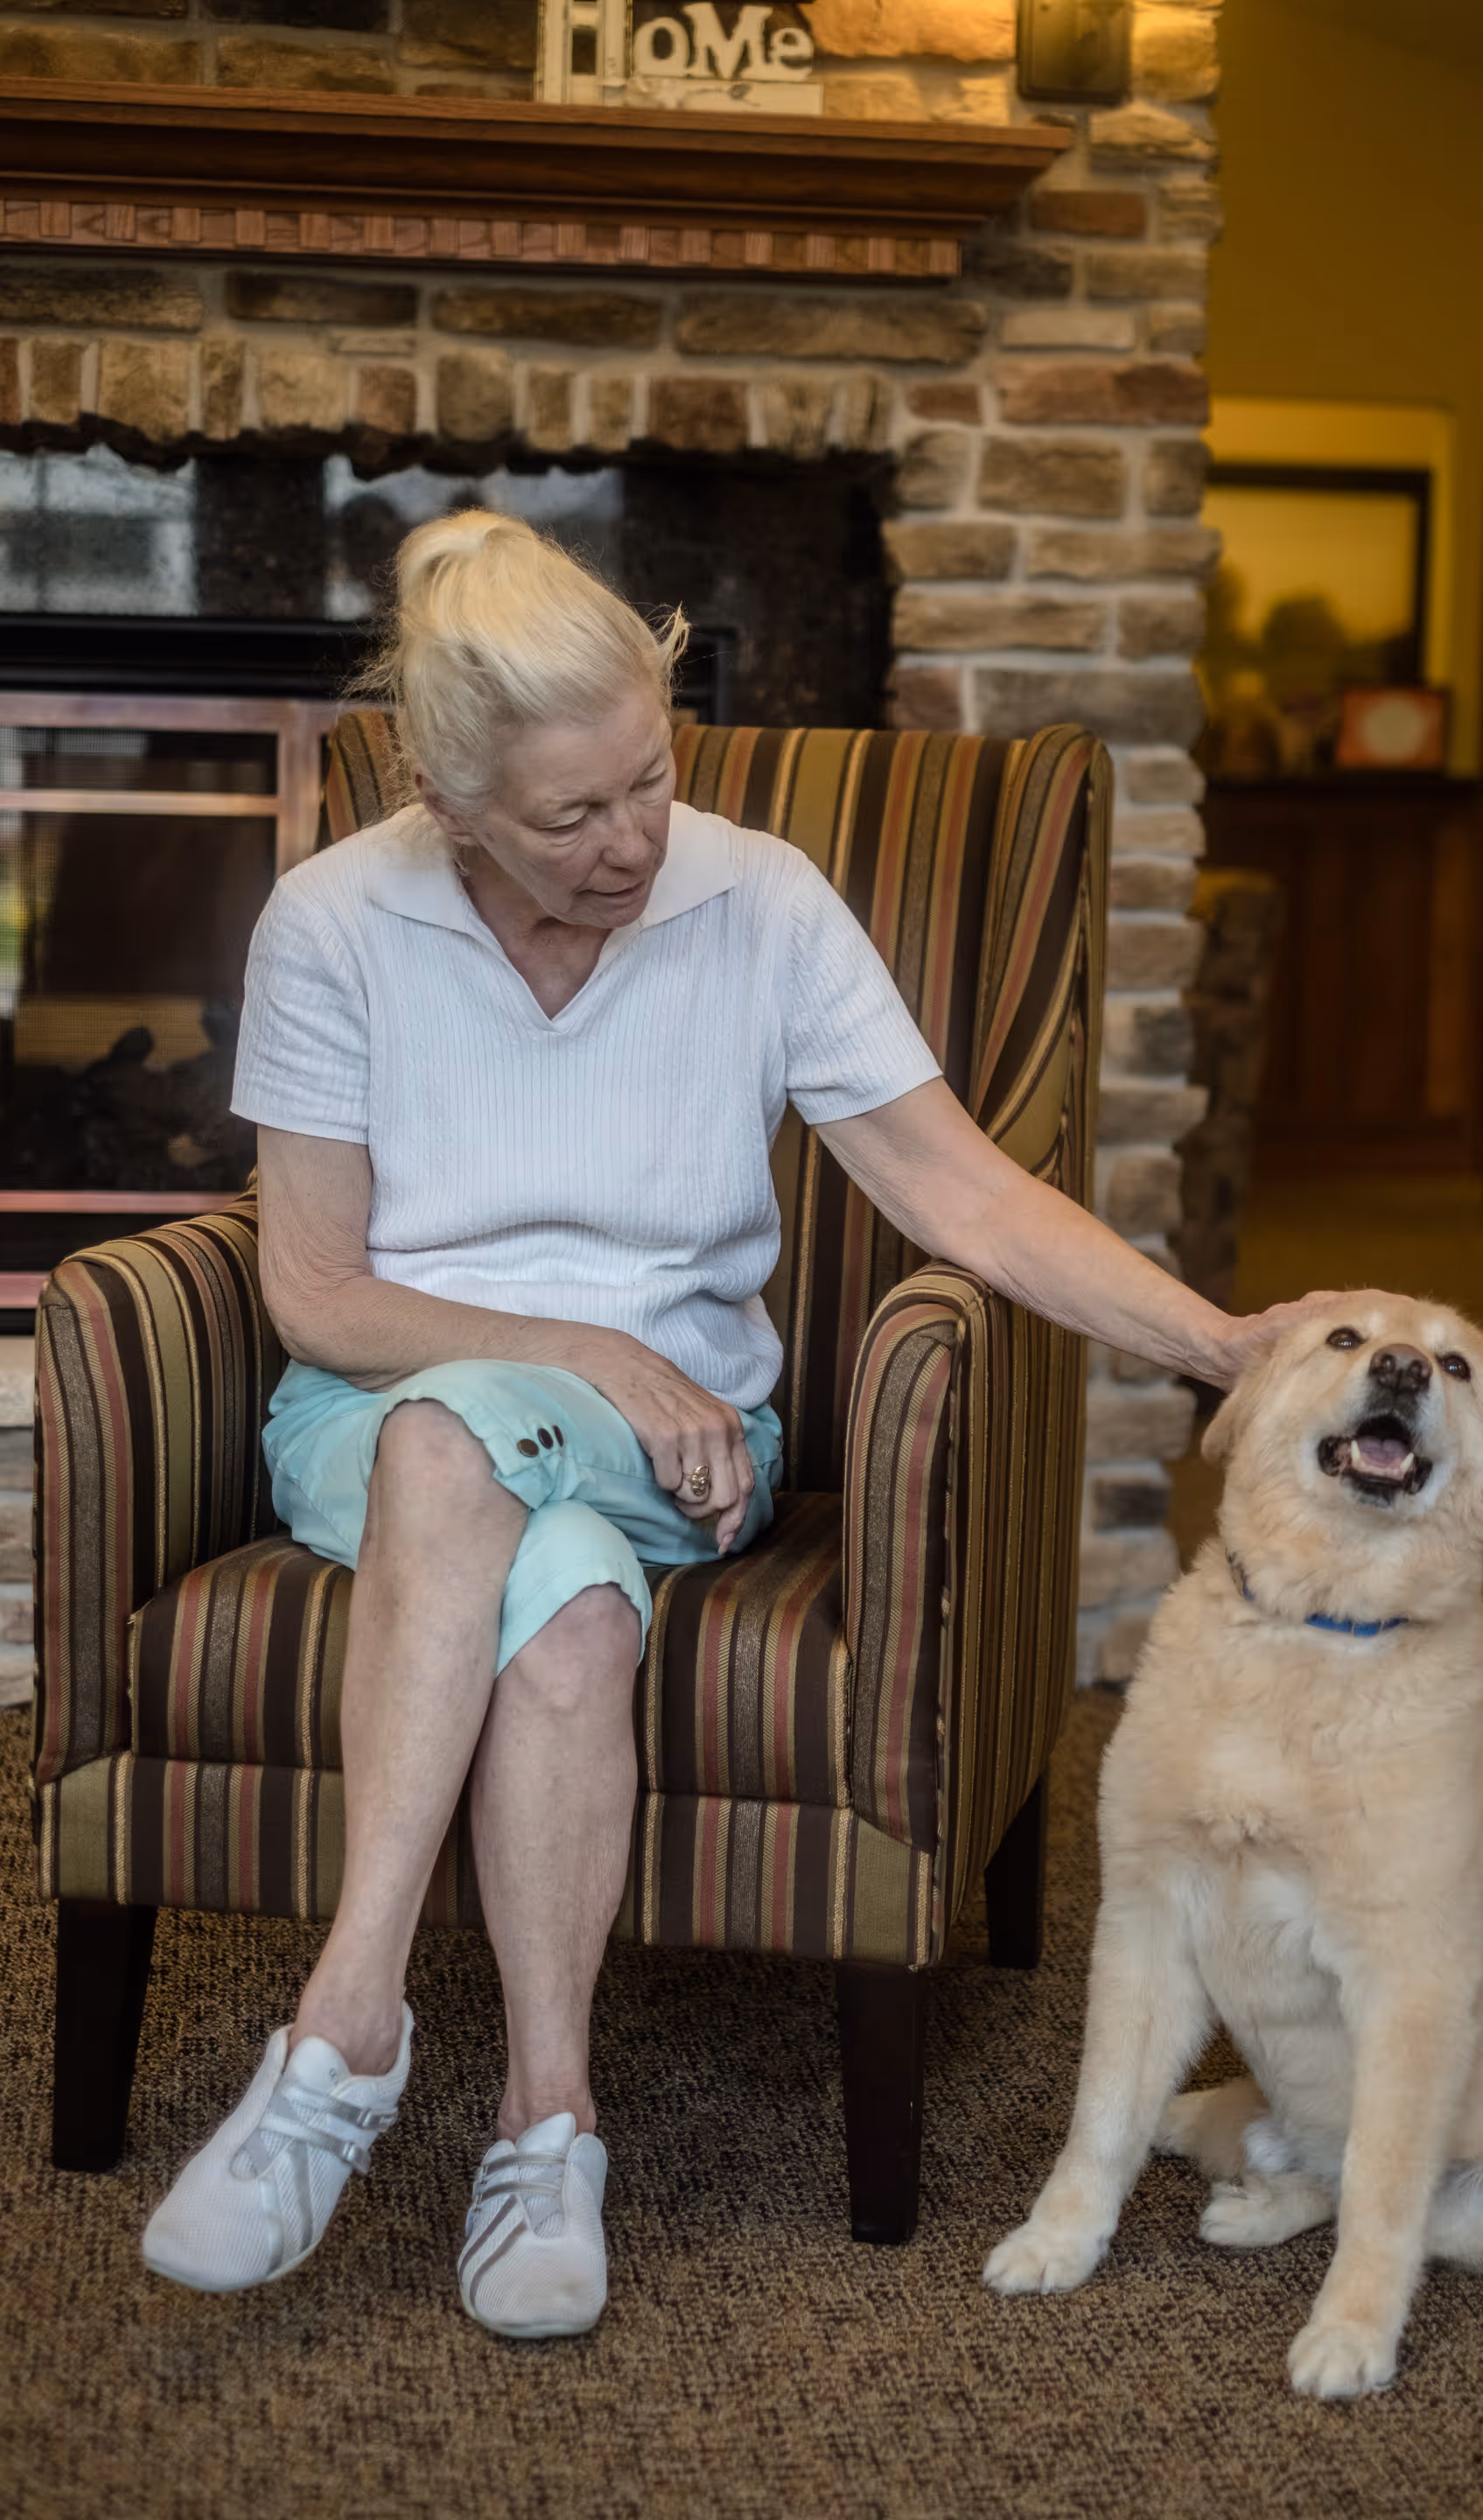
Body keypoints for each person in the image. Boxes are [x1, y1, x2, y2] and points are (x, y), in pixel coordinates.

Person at [140, 512, 1333, 2339]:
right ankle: (547, 2117)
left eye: (653, 778)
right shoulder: (335, 922)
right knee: (553, 1578)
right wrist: (590, 1350)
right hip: (378, 1421)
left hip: (687, 1445)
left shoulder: (759, 898)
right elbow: (316, 1294)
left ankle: (341, 2041)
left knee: (487, 1463)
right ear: (447, 799)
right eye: (571, 816)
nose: (633, 842)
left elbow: (975, 1199)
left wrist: (1216, 1340)